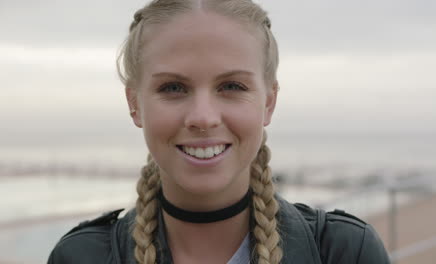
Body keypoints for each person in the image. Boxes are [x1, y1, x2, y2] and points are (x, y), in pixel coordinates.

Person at [48, 0, 390, 263]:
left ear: (268, 103)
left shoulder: (343, 252)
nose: (203, 117)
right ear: (135, 104)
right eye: (172, 88)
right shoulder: (82, 255)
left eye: (231, 85)